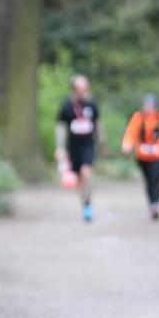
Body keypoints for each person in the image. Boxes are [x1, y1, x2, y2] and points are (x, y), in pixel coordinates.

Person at [56, 75, 108, 222]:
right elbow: (60, 127)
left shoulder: (91, 105)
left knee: (86, 172)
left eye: (86, 88)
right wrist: (60, 148)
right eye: (81, 89)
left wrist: (103, 143)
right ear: (74, 90)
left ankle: (88, 203)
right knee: (78, 180)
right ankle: (85, 207)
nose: (84, 91)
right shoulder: (67, 106)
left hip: (88, 145)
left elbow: (98, 124)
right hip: (73, 147)